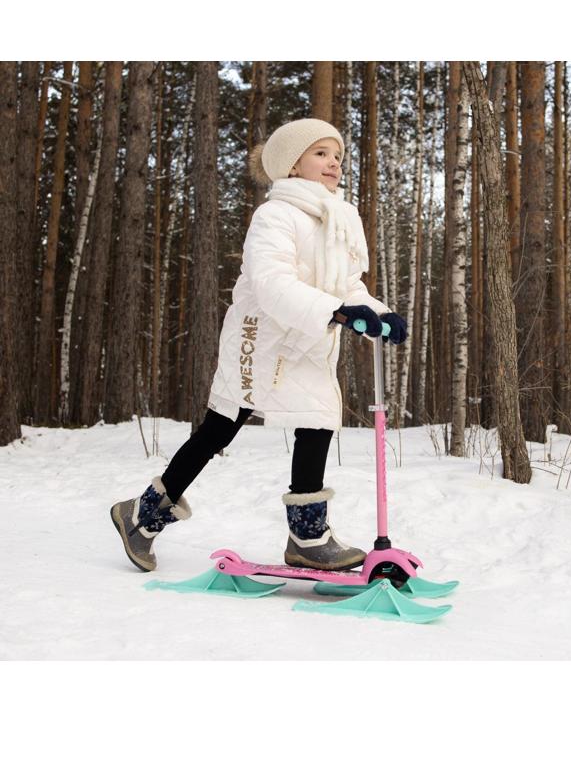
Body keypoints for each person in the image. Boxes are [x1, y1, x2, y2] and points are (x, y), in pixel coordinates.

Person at [110, 118, 407, 574]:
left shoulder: (340, 218)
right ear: (292, 164)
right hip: (261, 339)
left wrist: (378, 314)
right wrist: (338, 312)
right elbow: (271, 284)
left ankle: (308, 537)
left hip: (308, 339)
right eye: (321, 153)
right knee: (219, 431)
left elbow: (349, 284)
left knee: (318, 417)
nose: (334, 163)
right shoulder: (274, 215)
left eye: (338, 155)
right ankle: (143, 514)